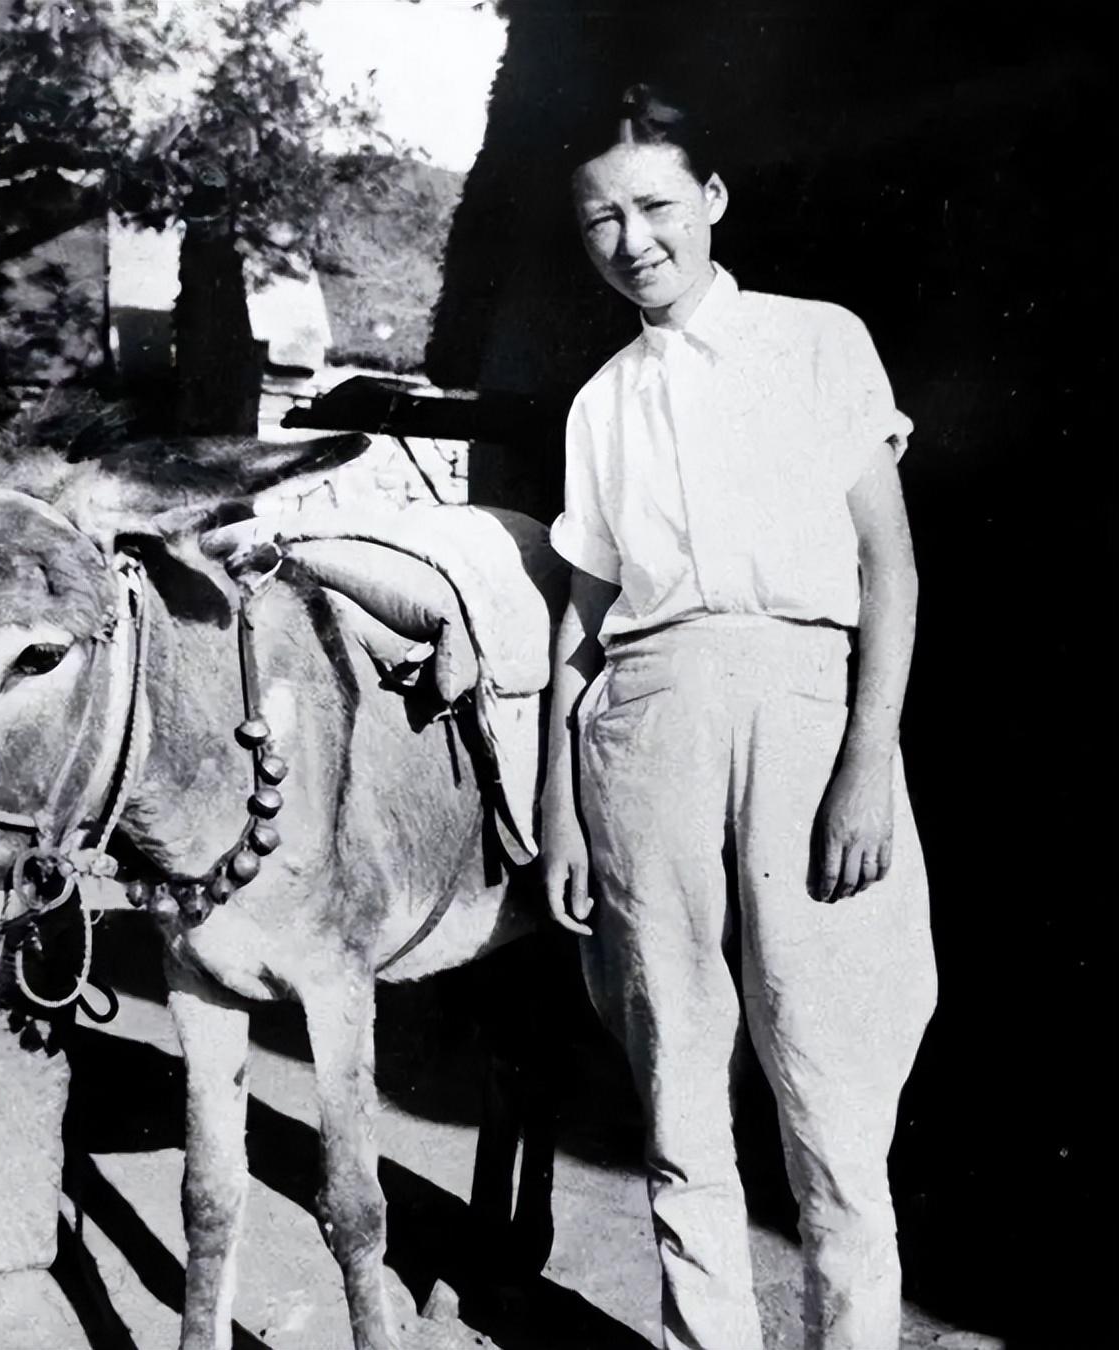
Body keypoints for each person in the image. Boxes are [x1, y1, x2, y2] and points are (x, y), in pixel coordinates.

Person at [540, 85, 938, 1350]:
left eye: (655, 204)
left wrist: (865, 760)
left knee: (829, 1080)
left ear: (711, 201)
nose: (632, 240)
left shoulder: (817, 342)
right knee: (675, 1085)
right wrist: (559, 804)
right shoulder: (599, 404)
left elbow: (890, 565)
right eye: (600, 219)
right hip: (644, 730)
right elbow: (580, 623)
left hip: (807, 717)